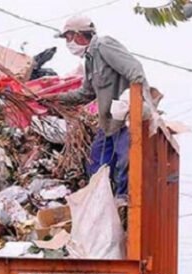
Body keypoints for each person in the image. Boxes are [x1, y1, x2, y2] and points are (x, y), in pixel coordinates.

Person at [52, 15, 157, 213]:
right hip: (108, 124)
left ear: (77, 35)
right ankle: (101, 206)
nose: (68, 44)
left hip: (125, 119)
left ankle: (124, 202)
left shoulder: (104, 46)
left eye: (67, 38)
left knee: (125, 159)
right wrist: (57, 98)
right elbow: (87, 93)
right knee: (97, 165)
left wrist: (132, 102)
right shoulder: (90, 60)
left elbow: (135, 70)